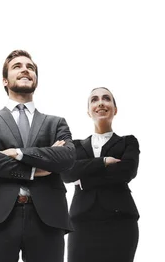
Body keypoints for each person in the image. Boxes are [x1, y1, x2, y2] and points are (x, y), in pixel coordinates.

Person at [0, 50, 76, 262]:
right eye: (17, 66)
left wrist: (18, 153)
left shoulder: (56, 123)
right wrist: (35, 169)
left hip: (48, 217)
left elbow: (67, 157)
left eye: (31, 67)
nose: (25, 69)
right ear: (5, 80)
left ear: (36, 78)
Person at [61, 87, 140, 262]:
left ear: (115, 109)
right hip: (81, 223)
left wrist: (83, 179)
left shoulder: (128, 142)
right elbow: (66, 174)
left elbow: (126, 171)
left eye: (106, 98)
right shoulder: (75, 145)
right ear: (89, 111)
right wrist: (103, 162)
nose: (101, 102)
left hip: (120, 221)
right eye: (94, 100)